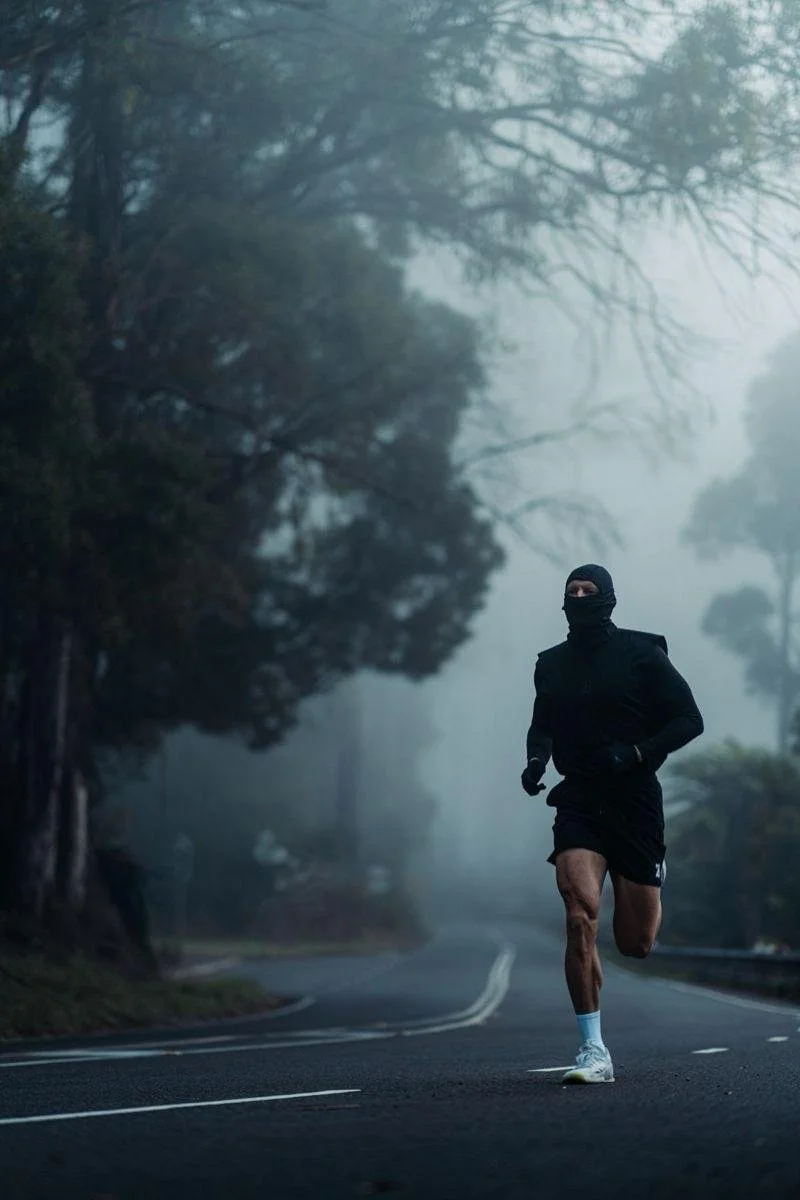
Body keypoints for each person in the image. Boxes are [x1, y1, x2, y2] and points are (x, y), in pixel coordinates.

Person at [522, 564, 703, 1083]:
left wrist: (636, 753)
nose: (580, 597)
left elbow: (689, 719)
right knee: (579, 915)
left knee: (635, 944)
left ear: (608, 598)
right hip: (578, 799)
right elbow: (541, 725)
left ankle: (652, 873)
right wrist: (536, 762)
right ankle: (593, 1050)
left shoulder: (643, 653)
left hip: (634, 799)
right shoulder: (551, 664)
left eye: (589, 590)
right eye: (572, 591)